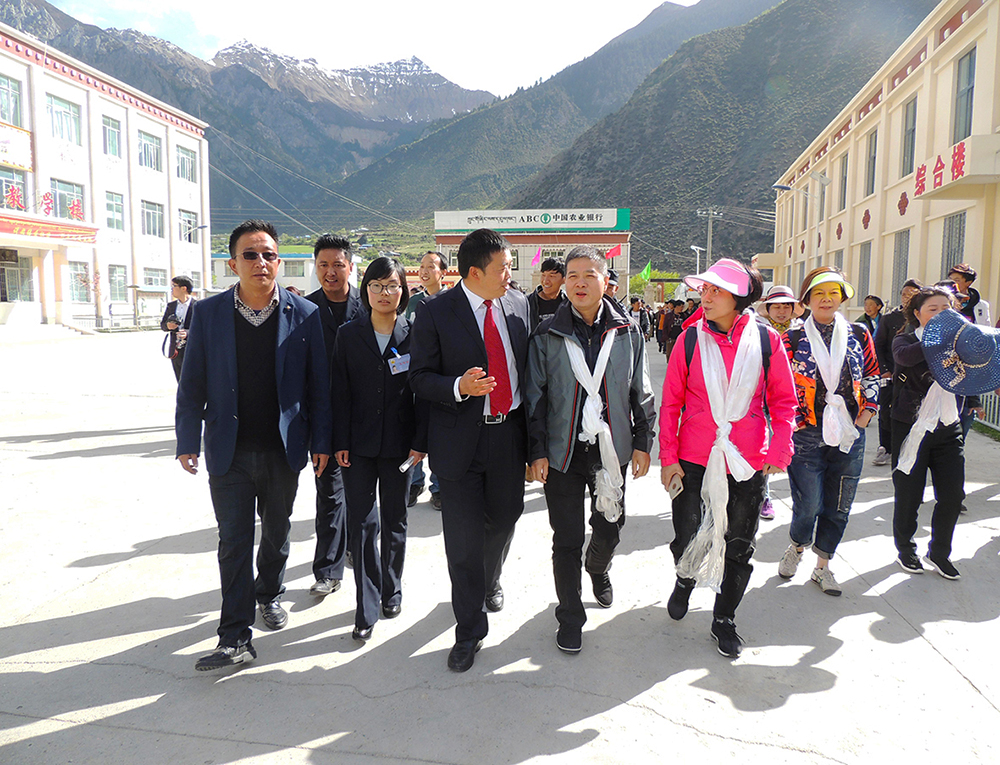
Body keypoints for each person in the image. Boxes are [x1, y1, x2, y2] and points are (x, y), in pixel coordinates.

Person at [175, 220, 332, 671]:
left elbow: (319, 386)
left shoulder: (305, 313)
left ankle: (270, 593)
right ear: (232, 264)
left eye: (268, 255)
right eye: (250, 254)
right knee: (233, 541)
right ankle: (234, 636)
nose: (260, 262)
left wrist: (321, 441)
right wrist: (187, 439)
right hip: (230, 452)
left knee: (278, 532)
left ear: (278, 262)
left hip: (284, 449)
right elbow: (192, 382)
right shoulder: (208, 314)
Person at [660, 259, 796, 658]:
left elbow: (783, 402)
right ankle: (686, 577)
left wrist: (780, 448)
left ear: (739, 297)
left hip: (746, 459)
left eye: (716, 290)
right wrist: (668, 457)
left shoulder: (766, 341)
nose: (706, 296)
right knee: (687, 534)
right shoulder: (689, 340)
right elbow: (670, 404)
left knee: (739, 543)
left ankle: (724, 618)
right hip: (693, 456)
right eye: (705, 289)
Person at [409, 228, 530, 672]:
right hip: (458, 440)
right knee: (462, 542)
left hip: (508, 435)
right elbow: (419, 378)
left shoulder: (518, 304)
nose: (509, 274)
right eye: (503, 268)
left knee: (505, 517)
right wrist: (458, 386)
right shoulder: (436, 312)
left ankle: (488, 578)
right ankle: (469, 629)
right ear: (474, 272)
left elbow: (529, 373)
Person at [526, 246, 656, 653]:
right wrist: (536, 451)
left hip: (610, 452)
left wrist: (642, 442)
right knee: (566, 538)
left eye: (589, 275)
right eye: (573, 275)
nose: (579, 283)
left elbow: (640, 390)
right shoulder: (547, 333)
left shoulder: (627, 331)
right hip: (562, 452)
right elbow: (535, 397)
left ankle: (598, 568)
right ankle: (570, 616)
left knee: (610, 528)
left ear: (605, 281)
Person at [332, 257, 427, 641]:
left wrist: (420, 442)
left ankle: (392, 588)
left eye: (392, 286)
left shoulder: (415, 334)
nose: (384, 293)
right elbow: (339, 392)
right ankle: (366, 605)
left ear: (403, 290)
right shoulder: (348, 334)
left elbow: (423, 394)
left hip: (401, 447)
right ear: (366, 289)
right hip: (357, 446)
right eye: (376, 285)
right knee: (362, 523)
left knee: (395, 519)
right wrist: (339, 441)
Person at [779, 267, 880, 596]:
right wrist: (794, 422)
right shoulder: (792, 338)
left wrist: (867, 413)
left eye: (833, 293)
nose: (826, 299)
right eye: (819, 293)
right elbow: (779, 385)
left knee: (839, 504)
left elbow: (873, 374)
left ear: (842, 298)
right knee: (809, 503)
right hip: (807, 433)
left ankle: (822, 567)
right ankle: (797, 545)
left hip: (851, 431)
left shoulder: (859, 334)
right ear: (807, 300)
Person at [890, 291, 980, 579]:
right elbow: (904, 358)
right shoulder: (905, 341)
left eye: (946, 308)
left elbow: (975, 370)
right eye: (933, 309)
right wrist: (939, 339)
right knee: (909, 495)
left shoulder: (960, 343)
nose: (941, 313)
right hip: (911, 426)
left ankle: (939, 552)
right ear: (917, 314)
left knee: (952, 496)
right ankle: (906, 548)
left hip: (948, 426)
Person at [305, 235, 364, 597]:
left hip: (365, 418)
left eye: (338, 265)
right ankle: (328, 569)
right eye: (323, 265)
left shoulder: (369, 305)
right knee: (328, 495)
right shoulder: (304, 310)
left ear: (350, 267)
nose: (331, 272)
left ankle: (357, 549)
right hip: (323, 420)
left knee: (361, 495)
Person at [754, 284, 804, 520]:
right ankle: (764, 496)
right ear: (768, 309)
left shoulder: (802, 333)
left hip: (794, 403)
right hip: (763, 401)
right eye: (777, 307)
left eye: (786, 306)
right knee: (764, 449)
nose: (782, 311)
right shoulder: (757, 333)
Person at [405, 250, 449, 510]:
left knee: (439, 431)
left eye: (430, 266)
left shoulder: (450, 301)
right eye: (421, 266)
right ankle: (414, 481)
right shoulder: (412, 302)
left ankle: (439, 486)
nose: (424, 271)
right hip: (414, 374)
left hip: (441, 378)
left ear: (443, 272)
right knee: (414, 428)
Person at [872, 279, 922, 466]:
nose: (907, 297)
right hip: (890, 375)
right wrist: (884, 370)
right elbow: (878, 345)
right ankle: (885, 447)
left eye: (912, 294)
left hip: (913, 378)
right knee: (886, 410)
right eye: (904, 294)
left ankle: (909, 450)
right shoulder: (889, 318)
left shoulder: (922, 318)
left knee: (910, 413)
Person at [161, 275, 196, 382]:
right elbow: (163, 325)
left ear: (183, 288)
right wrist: (168, 326)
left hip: (193, 349)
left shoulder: (198, 306)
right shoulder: (171, 306)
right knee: (180, 380)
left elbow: (204, 328)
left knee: (193, 380)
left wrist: (188, 333)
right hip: (175, 350)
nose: (172, 289)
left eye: (174, 286)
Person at [527, 257, 568, 330]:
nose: (545, 281)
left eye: (551, 276)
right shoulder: (528, 303)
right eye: (543, 275)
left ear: (564, 280)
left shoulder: (569, 303)